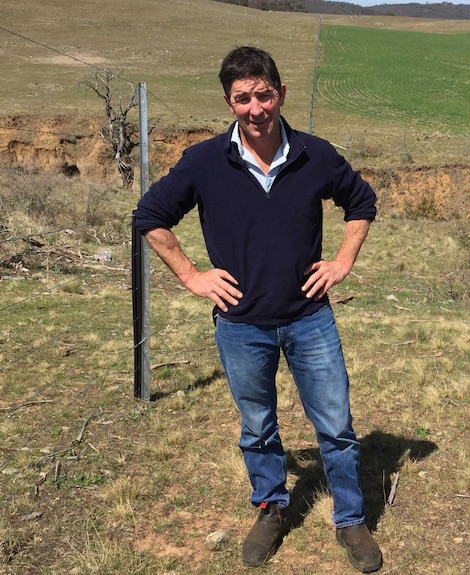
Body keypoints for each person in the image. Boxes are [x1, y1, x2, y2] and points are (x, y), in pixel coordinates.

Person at [132, 46, 382, 573]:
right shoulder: (204, 161)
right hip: (241, 324)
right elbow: (150, 217)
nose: (255, 108)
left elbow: (361, 202)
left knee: (335, 426)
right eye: (242, 98)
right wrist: (192, 276)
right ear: (229, 102)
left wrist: (342, 261)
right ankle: (271, 508)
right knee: (258, 427)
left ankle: (350, 518)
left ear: (281, 94)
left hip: (310, 317)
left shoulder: (315, 153)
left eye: (263, 95)